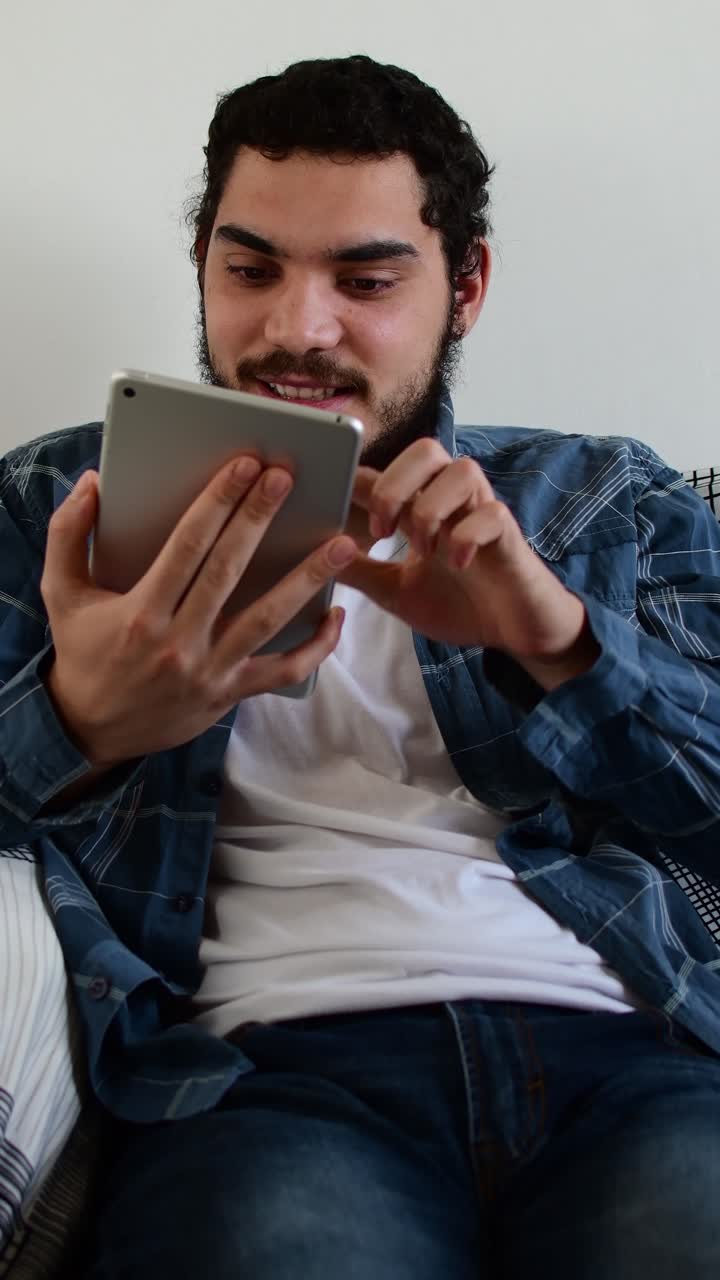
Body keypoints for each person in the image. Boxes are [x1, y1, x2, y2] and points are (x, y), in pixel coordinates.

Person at [1, 53, 719, 1280]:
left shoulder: (603, 494)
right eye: (251, 270)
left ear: (465, 285)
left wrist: (553, 640)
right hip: (268, 1075)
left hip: (623, 1050)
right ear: (202, 266)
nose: (297, 329)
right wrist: (78, 719)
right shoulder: (55, 503)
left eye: (367, 280)